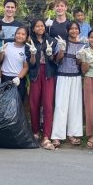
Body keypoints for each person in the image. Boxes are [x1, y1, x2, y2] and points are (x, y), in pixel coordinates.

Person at [51, 21, 85, 148]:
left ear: (79, 31)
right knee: (60, 106)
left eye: (76, 28)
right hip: (62, 76)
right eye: (71, 29)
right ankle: (57, 136)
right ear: (67, 30)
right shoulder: (62, 42)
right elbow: (57, 60)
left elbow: (80, 63)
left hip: (76, 77)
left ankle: (73, 134)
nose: (74, 31)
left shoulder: (82, 45)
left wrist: (80, 57)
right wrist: (61, 49)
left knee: (75, 106)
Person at [27, 19, 58, 150]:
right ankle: (35, 132)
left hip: (49, 74)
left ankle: (46, 135)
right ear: (33, 29)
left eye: (42, 26)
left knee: (48, 105)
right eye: (37, 26)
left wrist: (50, 54)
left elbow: (55, 60)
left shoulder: (52, 41)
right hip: (35, 74)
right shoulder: (29, 42)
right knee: (33, 104)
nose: (40, 28)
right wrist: (33, 54)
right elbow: (32, 63)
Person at [0, 26, 29, 102]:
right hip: (5, 77)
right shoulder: (7, 45)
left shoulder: (26, 48)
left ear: (26, 37)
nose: (20, 35)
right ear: (15, 35)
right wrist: (1, 53)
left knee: (17, 102)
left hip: (18, 79)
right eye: (18, 33)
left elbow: (26, 67)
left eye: (23, 34)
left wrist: (19, 77)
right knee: (4, 102)